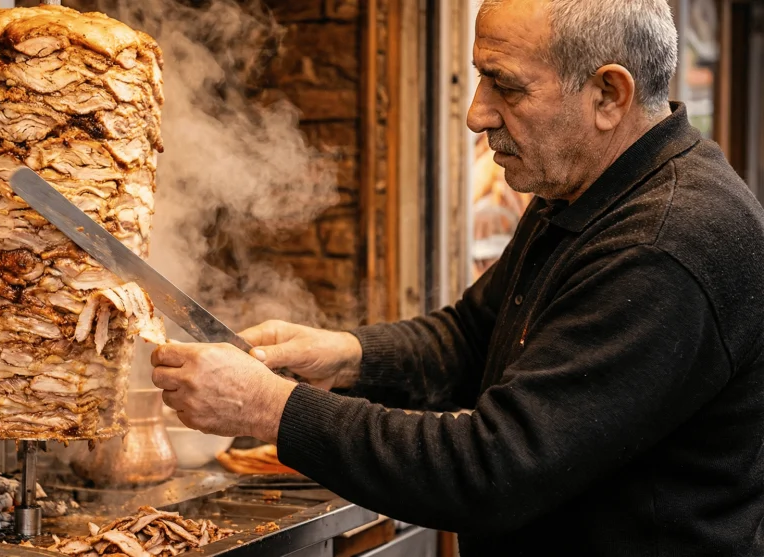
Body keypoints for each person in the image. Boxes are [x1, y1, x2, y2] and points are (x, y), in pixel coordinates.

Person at [150, 0, 764, 554]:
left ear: (608, 94)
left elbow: (493, 470)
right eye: (479, 78)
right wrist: (349, 355)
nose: (476, 114)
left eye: (506, 86)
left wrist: (271, 408)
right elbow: (475, 334)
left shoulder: (665, 244)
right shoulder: (582, 191)